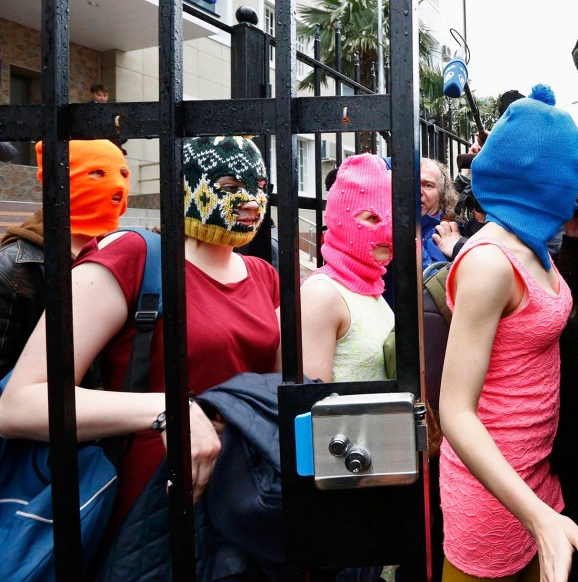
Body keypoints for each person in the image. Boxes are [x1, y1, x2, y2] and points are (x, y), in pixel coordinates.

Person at [0, 135, 281, 535]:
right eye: (230, 188)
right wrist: (168, 411)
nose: (251, 201)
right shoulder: (135, 257)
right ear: (187, 187)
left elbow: (280, 394)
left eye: (260, 187)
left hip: (244, 503)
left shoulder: (263, 276)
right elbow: (19, 404)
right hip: (149, 507)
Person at [438, 84, 578, 582]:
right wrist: (538, 519)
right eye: (574, 165)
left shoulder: (532, 242)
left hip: (536, 481)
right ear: (539, 170)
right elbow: (455, 412)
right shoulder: (489, 261)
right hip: (493, 498)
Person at [0, 139, 130, 379]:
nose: (117, 185)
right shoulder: (13, 267)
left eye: (124, 174)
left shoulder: (125, 254)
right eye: (97, 173)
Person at [300, 153, 394, 383]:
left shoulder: (371, 288)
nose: (387, 231)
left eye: (391, 219)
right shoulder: (321, 295)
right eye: (372, 217)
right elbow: (312, 406)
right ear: (342, 219)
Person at [420, 157, 457, 270]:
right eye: (411, 182)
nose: (418, 191)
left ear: (442, 195)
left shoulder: (442, 237)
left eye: (428, 185)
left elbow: (436, 286)